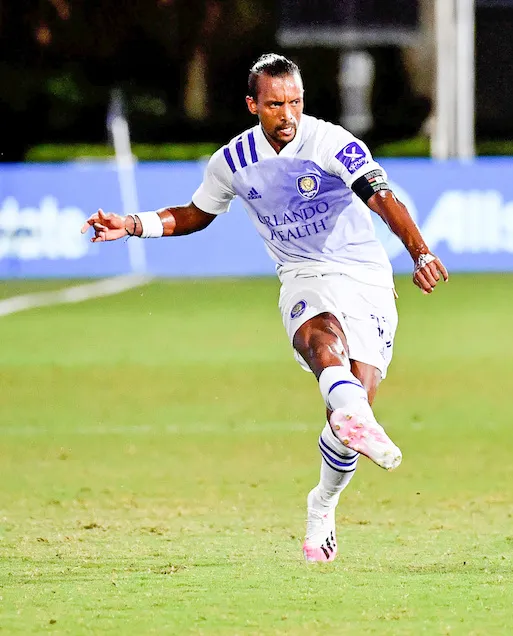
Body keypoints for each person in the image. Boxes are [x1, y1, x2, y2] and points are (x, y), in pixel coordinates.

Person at [81, 53, 448, 563]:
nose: (288, 113)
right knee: (322, 342)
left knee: (349, 407)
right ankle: (353, 415)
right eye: (275, 104)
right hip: (302, 273)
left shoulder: (332, 143)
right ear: (254, 104)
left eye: (295, 101)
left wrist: (420, 251)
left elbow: (381, 197)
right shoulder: (232, 161)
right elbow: (194, 214)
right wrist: (134, 223)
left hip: (364, 276)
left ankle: (322, 502)